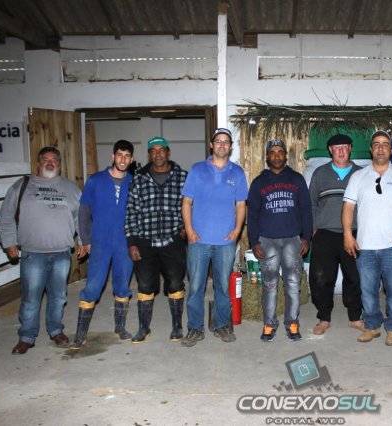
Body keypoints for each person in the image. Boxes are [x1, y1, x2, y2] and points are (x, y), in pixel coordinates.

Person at [0, 147, 82, 354]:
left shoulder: (71, 189)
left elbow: (80, 219)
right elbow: (7, 215)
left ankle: (56, 330)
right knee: (31, 298)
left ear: (60, 165)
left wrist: (83, 241)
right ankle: (26, 336)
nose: (50, 162)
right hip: (32, 253)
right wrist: (9, 242)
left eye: (54, 160)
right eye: (45, 159)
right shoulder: (22, 186)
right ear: (38, 164)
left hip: (62, 253)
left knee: (58, 297)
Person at [342, 130, 392, 346]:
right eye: (376, 144)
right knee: (367, 291)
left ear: (391, 150)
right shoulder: (358, 177)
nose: (381, 148)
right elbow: (348, 207)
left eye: (385, 144)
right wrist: (347, 233)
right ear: (371, 149)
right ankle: (372, 326)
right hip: (365, 246)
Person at [181, 128, 248, 347]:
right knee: (195, 287)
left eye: (226, 142)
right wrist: (189, 229)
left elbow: (241, 204)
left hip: (225, 242)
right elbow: (186, 202)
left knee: (222, 286)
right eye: (218, 141)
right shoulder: (197, 170)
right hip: (198, 240)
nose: (222, 145)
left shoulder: (237, 173)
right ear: (211, 145)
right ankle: (195, 328)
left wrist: (237, 231)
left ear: (230, 146)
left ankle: (221, 325)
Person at [70, 140, 135, 350]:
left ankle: (120, 327)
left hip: (125, 243)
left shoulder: (134, 182)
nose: (123, 159)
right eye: (119, 155)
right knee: (93, 286)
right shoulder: (95, 180)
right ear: (112, 156)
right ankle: (80, 334)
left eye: (127, 156)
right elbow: (84, 212)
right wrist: (86, 240)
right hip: (100, 242)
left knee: (122, 286)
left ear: (132, 159)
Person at [247, 139, 312, 342]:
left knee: (293, 283)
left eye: (280, 152)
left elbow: (306, 210)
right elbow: (252, 214)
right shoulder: (259, 182)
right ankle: (269, 324)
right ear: (267, 156)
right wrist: (254, 241)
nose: (276, 156)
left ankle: (292, 323)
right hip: (267, 241)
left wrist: (306, 237)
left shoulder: (297, 179)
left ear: (286, 155)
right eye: (272, 152)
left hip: (293, 239)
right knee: (270, 284)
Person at [125, 136, 188, 344]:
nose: (158, 154)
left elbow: (192, 205)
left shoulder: (183, 177)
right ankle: (144, 328)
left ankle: (177, 326)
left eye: (162, 150)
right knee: (144, 284)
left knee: (176, 282)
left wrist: (186, 227)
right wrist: (132, 242)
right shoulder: (138, 179)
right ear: (149, 154)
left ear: (168, 152)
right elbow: (131, 212)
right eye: (154, 151)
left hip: (173, 241)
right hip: (145, 242)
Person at [308, 134, 364, 335]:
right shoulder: (320, 173)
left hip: (354, 233)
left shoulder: (361, 173)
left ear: (350, 148)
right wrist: (313, 228)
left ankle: (355, 317)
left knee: (355, 277)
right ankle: (324, 318)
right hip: (325, 233)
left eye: (344, 147)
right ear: (330, 150)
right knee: (321, 278)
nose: (341, 151)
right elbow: (311, 203)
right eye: (336, 147)